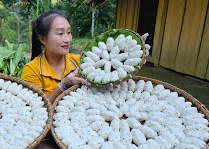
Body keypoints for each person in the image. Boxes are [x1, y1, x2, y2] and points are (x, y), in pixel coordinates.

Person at [21, 10, 150, 103]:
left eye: (69, 32)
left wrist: (135, 57)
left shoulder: (80, 61)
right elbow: (37, 109)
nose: (67, 39)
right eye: (60, 33)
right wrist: (62, 86)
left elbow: (112, 73)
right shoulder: (31, 70)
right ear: (42, 39)